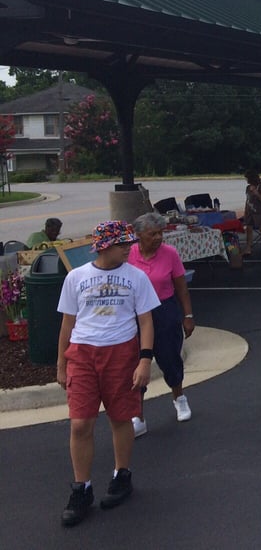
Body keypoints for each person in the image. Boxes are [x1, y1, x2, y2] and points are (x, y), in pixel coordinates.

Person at [55, 220, 159, 527]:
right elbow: (67, 324)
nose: (129, 248)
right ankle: (81, 488)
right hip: (83, 354)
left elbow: (146, 322)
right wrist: (61, 364)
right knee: (80, 423)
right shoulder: (76, 278)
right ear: (103, 247)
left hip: (121, 352)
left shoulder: (136, 277)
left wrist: (144, 361)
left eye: (129, 243)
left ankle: (121, 474)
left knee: (120, 417)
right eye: (122, 244)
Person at [127, 212, 196, 435]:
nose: (158, 238)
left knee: (170, 357)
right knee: (136, 363)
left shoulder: (170, 254)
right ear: (138, 235)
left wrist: (188, 316)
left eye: (160, 233)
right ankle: (138, 415)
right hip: (134, 313)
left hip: (164, 309)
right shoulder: (128, 254)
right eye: (152, 234)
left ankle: (179, 397)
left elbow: (181, 288)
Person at [242, 170, 261, 258]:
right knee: (249, 229)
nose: (246, 180)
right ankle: (248, 248)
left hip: (258, 211)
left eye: (247, 178)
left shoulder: (260, 186)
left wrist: (256, 193)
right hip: (249, 211)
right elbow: (247, 200)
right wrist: (245, 211)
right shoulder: (248, 188)